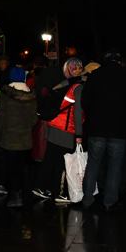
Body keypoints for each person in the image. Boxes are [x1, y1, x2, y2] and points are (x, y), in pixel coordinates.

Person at [80, 51, 126, 211]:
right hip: (118, 130)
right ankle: (110, 201)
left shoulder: (95, 76)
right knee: (115, 166)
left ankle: (87, 198)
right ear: (119, 61)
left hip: (96, 129)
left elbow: (84, 101)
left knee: (93, 164)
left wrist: (93, 116)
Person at [33, 57, 84, 204]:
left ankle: (42, 187)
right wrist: (79, 134)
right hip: (67, 129)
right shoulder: (77, 88)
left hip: (54, 124)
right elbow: (78, 113)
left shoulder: (61, 84)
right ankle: (60, 192)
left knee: (50, 159)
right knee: (63, 163)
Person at [0, 67, 35, 208]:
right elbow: (34, 120)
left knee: (9, 167)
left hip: (8, 138)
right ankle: (18, 193)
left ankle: (13, 195)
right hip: (25, 139)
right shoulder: (31, 96)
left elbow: (0, 119)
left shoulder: (6, 95)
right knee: (20, 167)